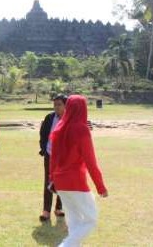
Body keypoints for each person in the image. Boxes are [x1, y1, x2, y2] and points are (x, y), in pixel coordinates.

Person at [49, 95, 108, 247]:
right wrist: (100, 186)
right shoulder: (81, 129)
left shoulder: (59, 127)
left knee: (74, 220)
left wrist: (52, 179)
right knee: (91, 220)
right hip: (76, 181)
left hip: (60, 181)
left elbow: (53, 158)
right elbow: (91, 162)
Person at [38, 94, 67, 221]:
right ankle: (46, 210)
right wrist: (44, 149)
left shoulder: (69, 119)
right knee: (48, 181)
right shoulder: (49, 118)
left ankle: (59, 208)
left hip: (65, 157)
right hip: (50, 154)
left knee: (62, 182)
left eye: (59, 104)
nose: (56, 107)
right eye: (55, 104)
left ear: (66, 105)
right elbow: (43, 133)